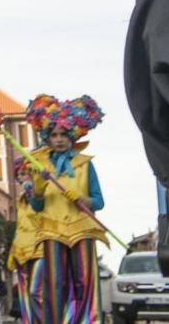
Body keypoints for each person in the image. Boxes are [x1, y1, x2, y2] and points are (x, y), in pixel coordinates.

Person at [22, 94, 106, 324]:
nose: (58, 140)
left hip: (82, 230)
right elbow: (37, 207)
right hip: (52, 232)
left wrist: (82, 199)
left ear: (71, 136)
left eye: (63, 135)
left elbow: (99, 202)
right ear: (47, 138)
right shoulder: (40, 165)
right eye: (54, 135)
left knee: (85, 283)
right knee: (52, 286)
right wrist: (38, 188)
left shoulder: (85, 164)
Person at [9, 157, 46, 324]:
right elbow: (20, 227)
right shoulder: (21, 200)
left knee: (36, 292)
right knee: (25, 297)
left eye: (25, 173)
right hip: (22, 252)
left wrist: (33, 191)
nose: (22, 177)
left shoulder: (39, 196)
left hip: (40, 250)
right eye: (19, 174)